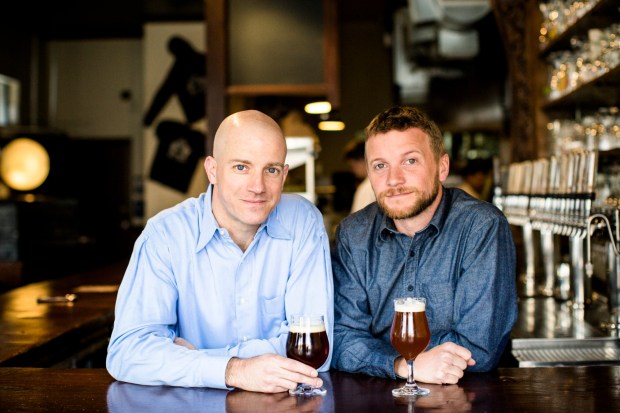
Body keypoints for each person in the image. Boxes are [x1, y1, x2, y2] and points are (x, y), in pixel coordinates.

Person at [107, 110, 334, 392]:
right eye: (241, 167)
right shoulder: (165, 235)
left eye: (271, 170)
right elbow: (127, 353)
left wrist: (193, 361)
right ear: (212, 170)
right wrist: (232, 371)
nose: (257, 186)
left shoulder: (302, 222)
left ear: (285, 174)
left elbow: (313, 351)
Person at [331, 106, 517, 384]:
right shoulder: (353, 233)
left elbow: (479, 348)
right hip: (378, 398)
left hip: (468, 396)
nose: (393, 179)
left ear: (442, 167)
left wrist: (375, 354)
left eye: (410, 161)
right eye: (380, 166)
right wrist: (405, 366)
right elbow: (342, 337)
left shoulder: (481, 226)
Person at [343, 139, 376, 213]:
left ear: (362, 161)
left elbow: (358, 222)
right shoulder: (376, 184)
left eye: (352, 166)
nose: (351, 170)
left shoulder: (367, 187)